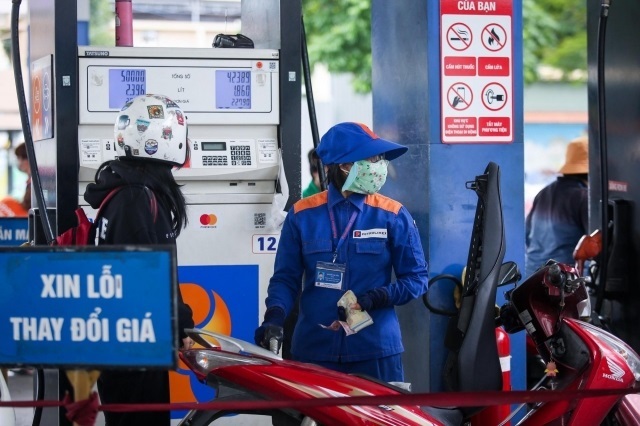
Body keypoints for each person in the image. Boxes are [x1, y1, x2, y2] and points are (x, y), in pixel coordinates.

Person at [255, 122, 428, 383]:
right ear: (343, 165)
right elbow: (285, 279)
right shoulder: (302, 215)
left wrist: (379, 296)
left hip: (375, 351)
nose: (379, 166)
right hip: (314, 351)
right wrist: (274, 318)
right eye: (371, 159)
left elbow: (417, 279)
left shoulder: (393, 215)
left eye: (380, 159)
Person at [83, 94, 194, 426]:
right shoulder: (136, 199)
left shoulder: (129, 193)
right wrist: (181, 325)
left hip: (128, 341)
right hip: (134, 347)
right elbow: (152, 278)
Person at [525, 136, 589, 278]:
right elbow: (593, 247)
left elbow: (528, 236)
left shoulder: (543, 193)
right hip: (562, 280)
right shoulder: (583, 197)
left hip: (532, 276)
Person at [0, 142, 31, 217]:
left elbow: (28, 206)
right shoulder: (30, 182)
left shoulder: (34, 183)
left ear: (26, 160)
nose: (18, 162)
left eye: (18, 158)